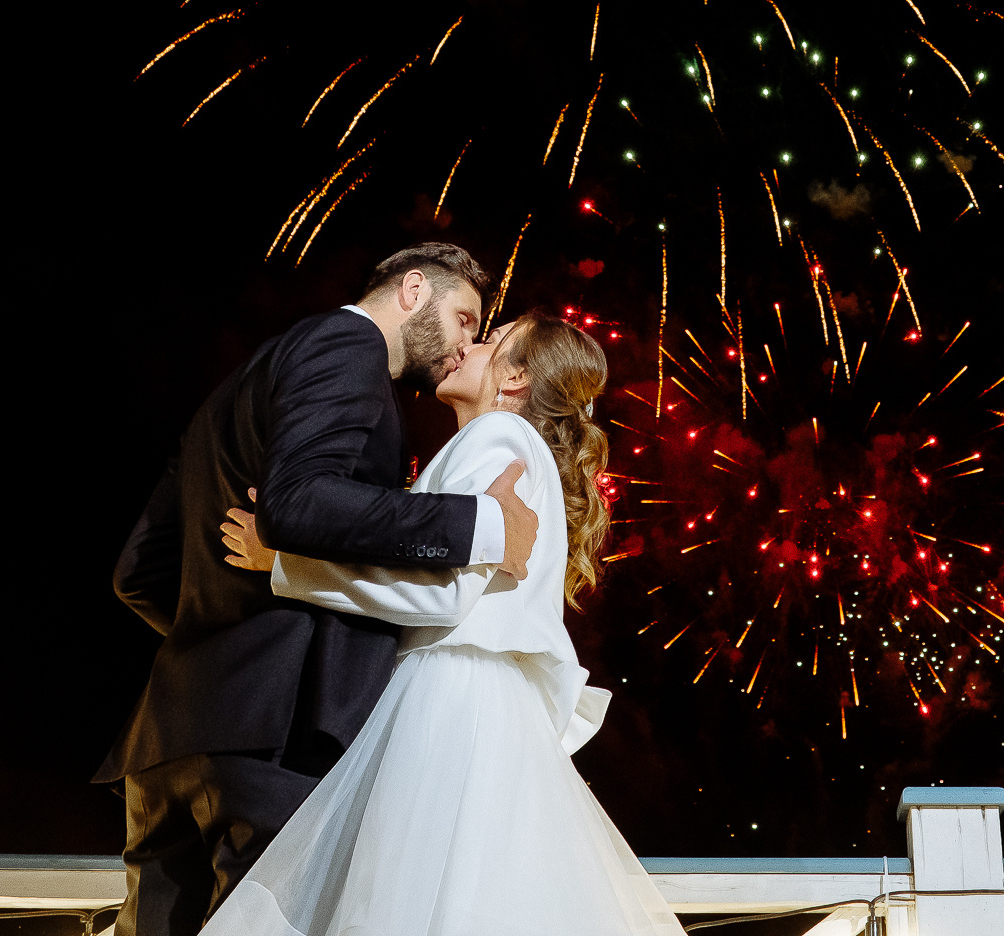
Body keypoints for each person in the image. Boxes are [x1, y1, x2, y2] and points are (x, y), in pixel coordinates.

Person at [95, 244, 542, 936]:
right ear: (413, 289)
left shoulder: (240, 385)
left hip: (172, 739)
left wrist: (224, 640)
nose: (464, 344)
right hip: (276, 732)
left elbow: (139, 573)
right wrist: (478, 523)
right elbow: (298, 502)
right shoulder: (347, 345)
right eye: (464, 318)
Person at [205, 310, 682, 936]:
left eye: (491, 341)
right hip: (480, 700)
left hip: (450, 698)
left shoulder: (494, 439)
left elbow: (443, 598)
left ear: (515, 379)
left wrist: (289, 562)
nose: (468, 346)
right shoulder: (511, 448)